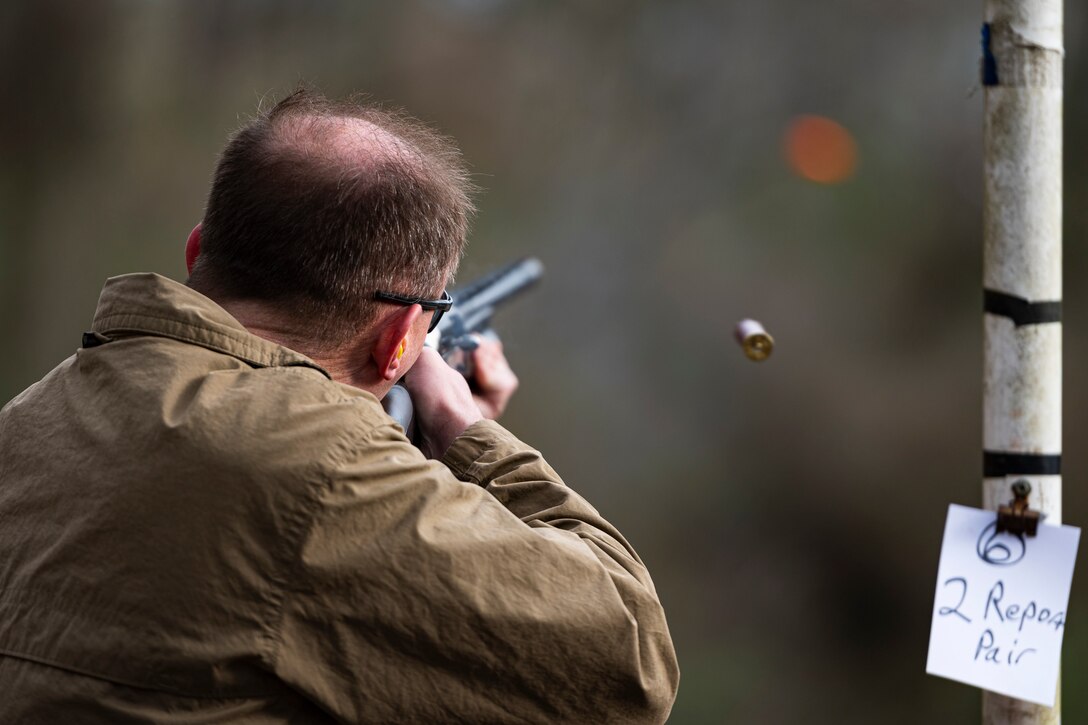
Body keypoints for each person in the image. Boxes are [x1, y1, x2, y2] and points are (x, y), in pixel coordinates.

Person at [0, 89, 679, 723]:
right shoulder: (328, 470)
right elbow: (630, 663)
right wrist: (465, 431)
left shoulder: (31, 414)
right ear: (398, 344)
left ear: (198, 248)